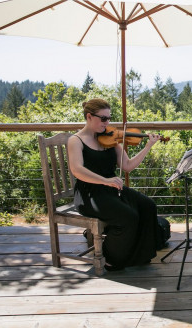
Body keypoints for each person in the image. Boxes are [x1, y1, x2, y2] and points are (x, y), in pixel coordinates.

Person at [68, 98, 166, 271]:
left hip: (111, 188)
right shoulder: (76, 141)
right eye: (103, 119)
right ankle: (111, 258)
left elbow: (127, 166)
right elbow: (77, 170)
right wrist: (105, 180)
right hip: (90, 194)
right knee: (128, 216)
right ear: (89, 116)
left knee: (148, 206)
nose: (107, 123)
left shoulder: (110, 138)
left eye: (109, 118)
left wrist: (148, 146)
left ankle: (139, 255)